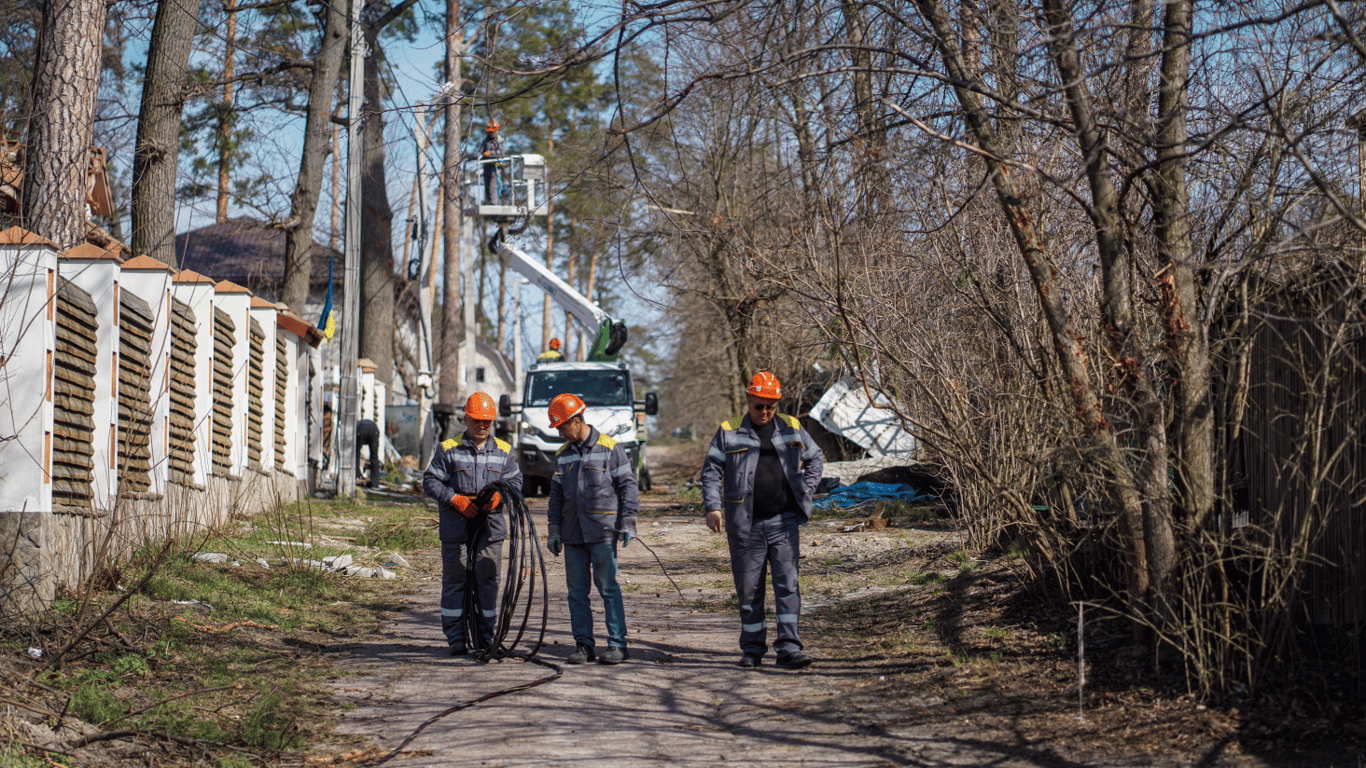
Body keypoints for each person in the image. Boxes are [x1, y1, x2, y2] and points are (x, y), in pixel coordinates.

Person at [700, 371, 824, 670]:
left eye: (771, 406)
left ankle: (789, 648)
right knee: (749, 589)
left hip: (784, 524)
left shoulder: (792, 427)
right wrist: (713, 507)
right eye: (759, 406)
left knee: (788, 586)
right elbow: (710, 471)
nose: (765, 412)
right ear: (748, 400)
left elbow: (816, 458)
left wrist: (805, 493)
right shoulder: (728, 430)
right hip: (745, 526)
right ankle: (753, 648)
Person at [422, 392, 522, 655]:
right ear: (465, 418)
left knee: (487, 580)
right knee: (456, 580)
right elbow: (430, 481)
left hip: (490, 530)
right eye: (477, 420)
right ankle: (456, 638)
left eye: (487, 421)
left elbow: (516, 483)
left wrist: (500, 497)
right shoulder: (448, 448)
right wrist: (455, 500)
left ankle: (485, 637)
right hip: (457, 528)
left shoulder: (504, 451)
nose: (482, 426)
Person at [545, 393, 638, 665]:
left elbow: (628, 486)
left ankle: (618, 644)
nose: (560, 432)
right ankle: (583, 645)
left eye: (562, 426)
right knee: (577, 593)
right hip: (573, 534)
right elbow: (556, 497)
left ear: (576, 421)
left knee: (608, 588)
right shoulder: (562, 456)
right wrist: (554, 530)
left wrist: (628, 521)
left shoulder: (610, 447)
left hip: (603, 532)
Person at [480, 119, 505, 204]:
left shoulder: (499, 140)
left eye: (492, 132)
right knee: (487, 187)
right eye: (489, 132)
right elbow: (481, 151)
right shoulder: (486, 140)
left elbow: (501, 153)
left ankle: (494, 204)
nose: (490, 133)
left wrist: (489, 153)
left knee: (493, 187)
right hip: (486, 166)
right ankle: (489, 203)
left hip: (495, 167)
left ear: (496, 130)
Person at [355, 418, 380, 488]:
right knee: (374, 456)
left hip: (361, 430)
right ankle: (375, 483)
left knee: (356, 453)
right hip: (374, 430)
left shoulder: (357, 425)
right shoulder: (369, 423)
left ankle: (356, 475)